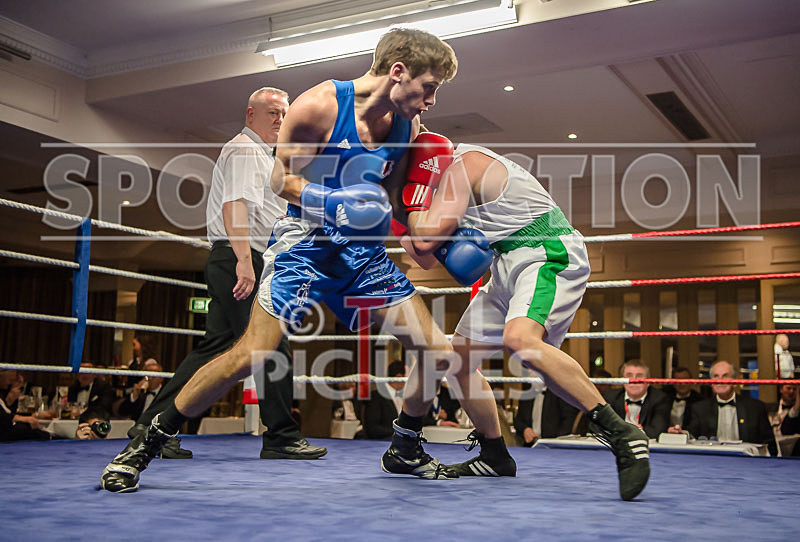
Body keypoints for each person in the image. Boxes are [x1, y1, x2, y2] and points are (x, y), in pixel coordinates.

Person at [101, 28, 460, 493]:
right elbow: (279, 180)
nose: (432, 100)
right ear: (398, 72)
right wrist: (335, 203)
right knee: (251, 352)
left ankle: (406, 447)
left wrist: (429, 237)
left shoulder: (407, 128)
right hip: (304, 241)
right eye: (429, 87)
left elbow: (389, 205)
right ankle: (144, 443)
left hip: (361, 254)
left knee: (436, 351)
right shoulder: (320, 105)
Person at [393, 137, 650, 499]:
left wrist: (409, 208)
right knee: (456, 362)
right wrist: (404, 211)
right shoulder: (431, 189)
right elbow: (425, 258)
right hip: (506, 266)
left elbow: (424, 241)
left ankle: (621, 432)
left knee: (522, 340)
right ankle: (494, 454)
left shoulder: (465, 164)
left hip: (547, 251)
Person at [123, 87, 325, 462]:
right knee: (271, 344)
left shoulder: (265, 157)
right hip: (242, 256)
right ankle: (281, 436)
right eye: (272, 113)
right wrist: (245, 261)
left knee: (214, 348)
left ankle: (151, 426)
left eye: (284, 113)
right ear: (251, 115)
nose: (280, 119)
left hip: (243, 256)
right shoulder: (246, 150)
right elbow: (236, 207)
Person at [669, 361, 774, 453]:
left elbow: (770, 444)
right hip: (712, 463)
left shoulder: (755, 408)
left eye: (725, 376)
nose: (720, 380)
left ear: (735, 381)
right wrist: (680, 433)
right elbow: (692, 435)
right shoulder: (700, 408)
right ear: (711, 382)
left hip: (747, 464)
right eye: (716, 376)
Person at [602, 360, 670, 439]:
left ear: (648, 382)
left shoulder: (660, 398)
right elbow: (596, 426)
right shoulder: (610, 397)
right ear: (622, 380)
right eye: (629, 376)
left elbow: (659, 430)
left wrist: (639, 431)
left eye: (639, 376)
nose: (634, 380)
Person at [1, 369, 51, 441]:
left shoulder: (4, 392)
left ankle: (51, 436)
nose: (11, 382)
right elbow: (3, 416)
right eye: (13, 379)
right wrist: (20, 418)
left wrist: (34, 415)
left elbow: (8, 412)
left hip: (6, 425)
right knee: (25, 428)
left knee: (29, 427)